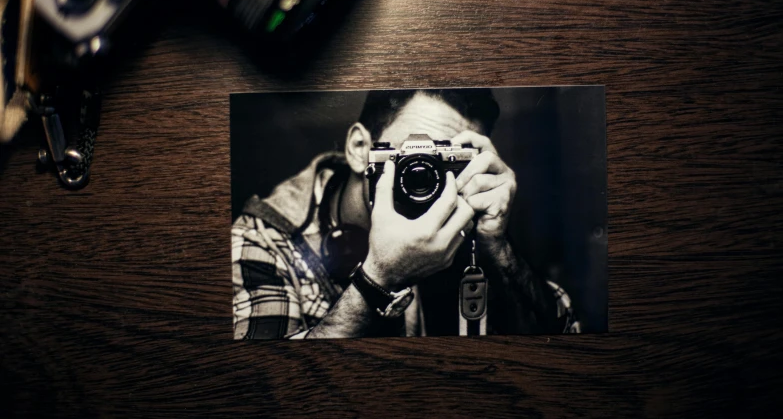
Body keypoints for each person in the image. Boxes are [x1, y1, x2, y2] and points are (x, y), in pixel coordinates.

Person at [232, 89, 580, 339]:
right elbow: (263, 390)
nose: (425, 177)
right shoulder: (261, 239)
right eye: (411, 159)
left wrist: (496, 245)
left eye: (446, 160)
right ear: (360, 149)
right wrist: (379, 280)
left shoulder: (464, 222)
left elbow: (566, 334)